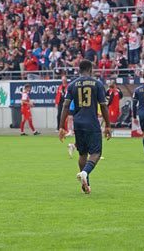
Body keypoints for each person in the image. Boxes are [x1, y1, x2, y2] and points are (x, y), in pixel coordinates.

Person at [58, 60, 111, 194]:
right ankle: (85, 173)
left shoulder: (72, 85)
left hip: (78, 122)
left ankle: (85, 185)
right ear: (91, 70)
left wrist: (61, 127)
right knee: (96, 153)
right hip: (92, 122)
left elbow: (65, 105)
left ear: (79, 70)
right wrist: (108, 126)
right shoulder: (97, 84)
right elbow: (104, 105)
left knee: (82, 153)